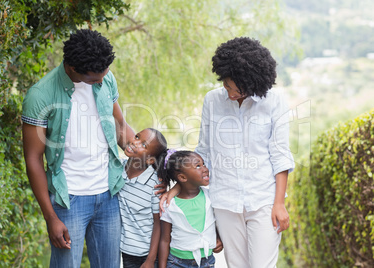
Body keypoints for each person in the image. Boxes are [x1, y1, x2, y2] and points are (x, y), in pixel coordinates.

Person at [162, 37, 295, 267]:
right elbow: (204, 152)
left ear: (252, 83)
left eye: (237, 89)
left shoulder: (274, 103)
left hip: (263, 200)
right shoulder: (213, 100)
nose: (231, 93)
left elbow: (280, 155)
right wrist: (176, 188)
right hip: (224, 201)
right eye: (227, 85)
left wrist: (279, 203)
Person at [22, 29, 135, 267]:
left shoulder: (106, 78)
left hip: (108, 194)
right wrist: (50, 217)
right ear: (72, 68)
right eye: (95, 78)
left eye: (104, 75)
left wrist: (148, 155)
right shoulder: (40, 96)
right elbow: (33, 159)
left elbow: (120, 126)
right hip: (68, 200)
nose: (102, 81)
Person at [158, 150, 223, 268]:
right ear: (182, 177)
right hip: (176, 262)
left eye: (203, 164)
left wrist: (218, 237)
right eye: (198, 166)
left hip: (206, 261)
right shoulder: (169, 204)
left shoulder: (210, 196)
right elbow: (164, 240)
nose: (205, 168)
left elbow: (215, 221)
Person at [118, 128, 168, 268]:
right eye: (137, 136)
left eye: (144, 145)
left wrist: (151, 260)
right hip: (127, 251)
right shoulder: (118, 169)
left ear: (151, 159)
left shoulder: (154, 185)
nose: (135, 142)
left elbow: (158, 224)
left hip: (147, 253)